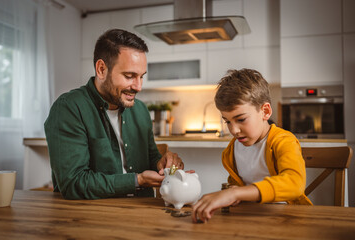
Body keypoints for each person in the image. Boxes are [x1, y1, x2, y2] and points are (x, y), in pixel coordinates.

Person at [44, 29, 183, 200]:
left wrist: (163, 163)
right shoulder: (69, 108)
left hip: (142, 211)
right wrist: (137, 180)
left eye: (141, 77)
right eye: (129, 76)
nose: (138, 86)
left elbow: (151, 158)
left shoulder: (140, 110)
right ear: (101, 69)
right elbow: (74, 183)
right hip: (91, 217)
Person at [192, 68, 312, 223]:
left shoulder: (283, 141)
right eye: (227, 121)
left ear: (265, 111)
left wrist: (235, 194)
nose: (233, 130)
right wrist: (233, 192)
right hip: (250, 219)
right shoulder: (231, 151)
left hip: (289, 219)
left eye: (241, 119)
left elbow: (294, 183)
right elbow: (238, 186)